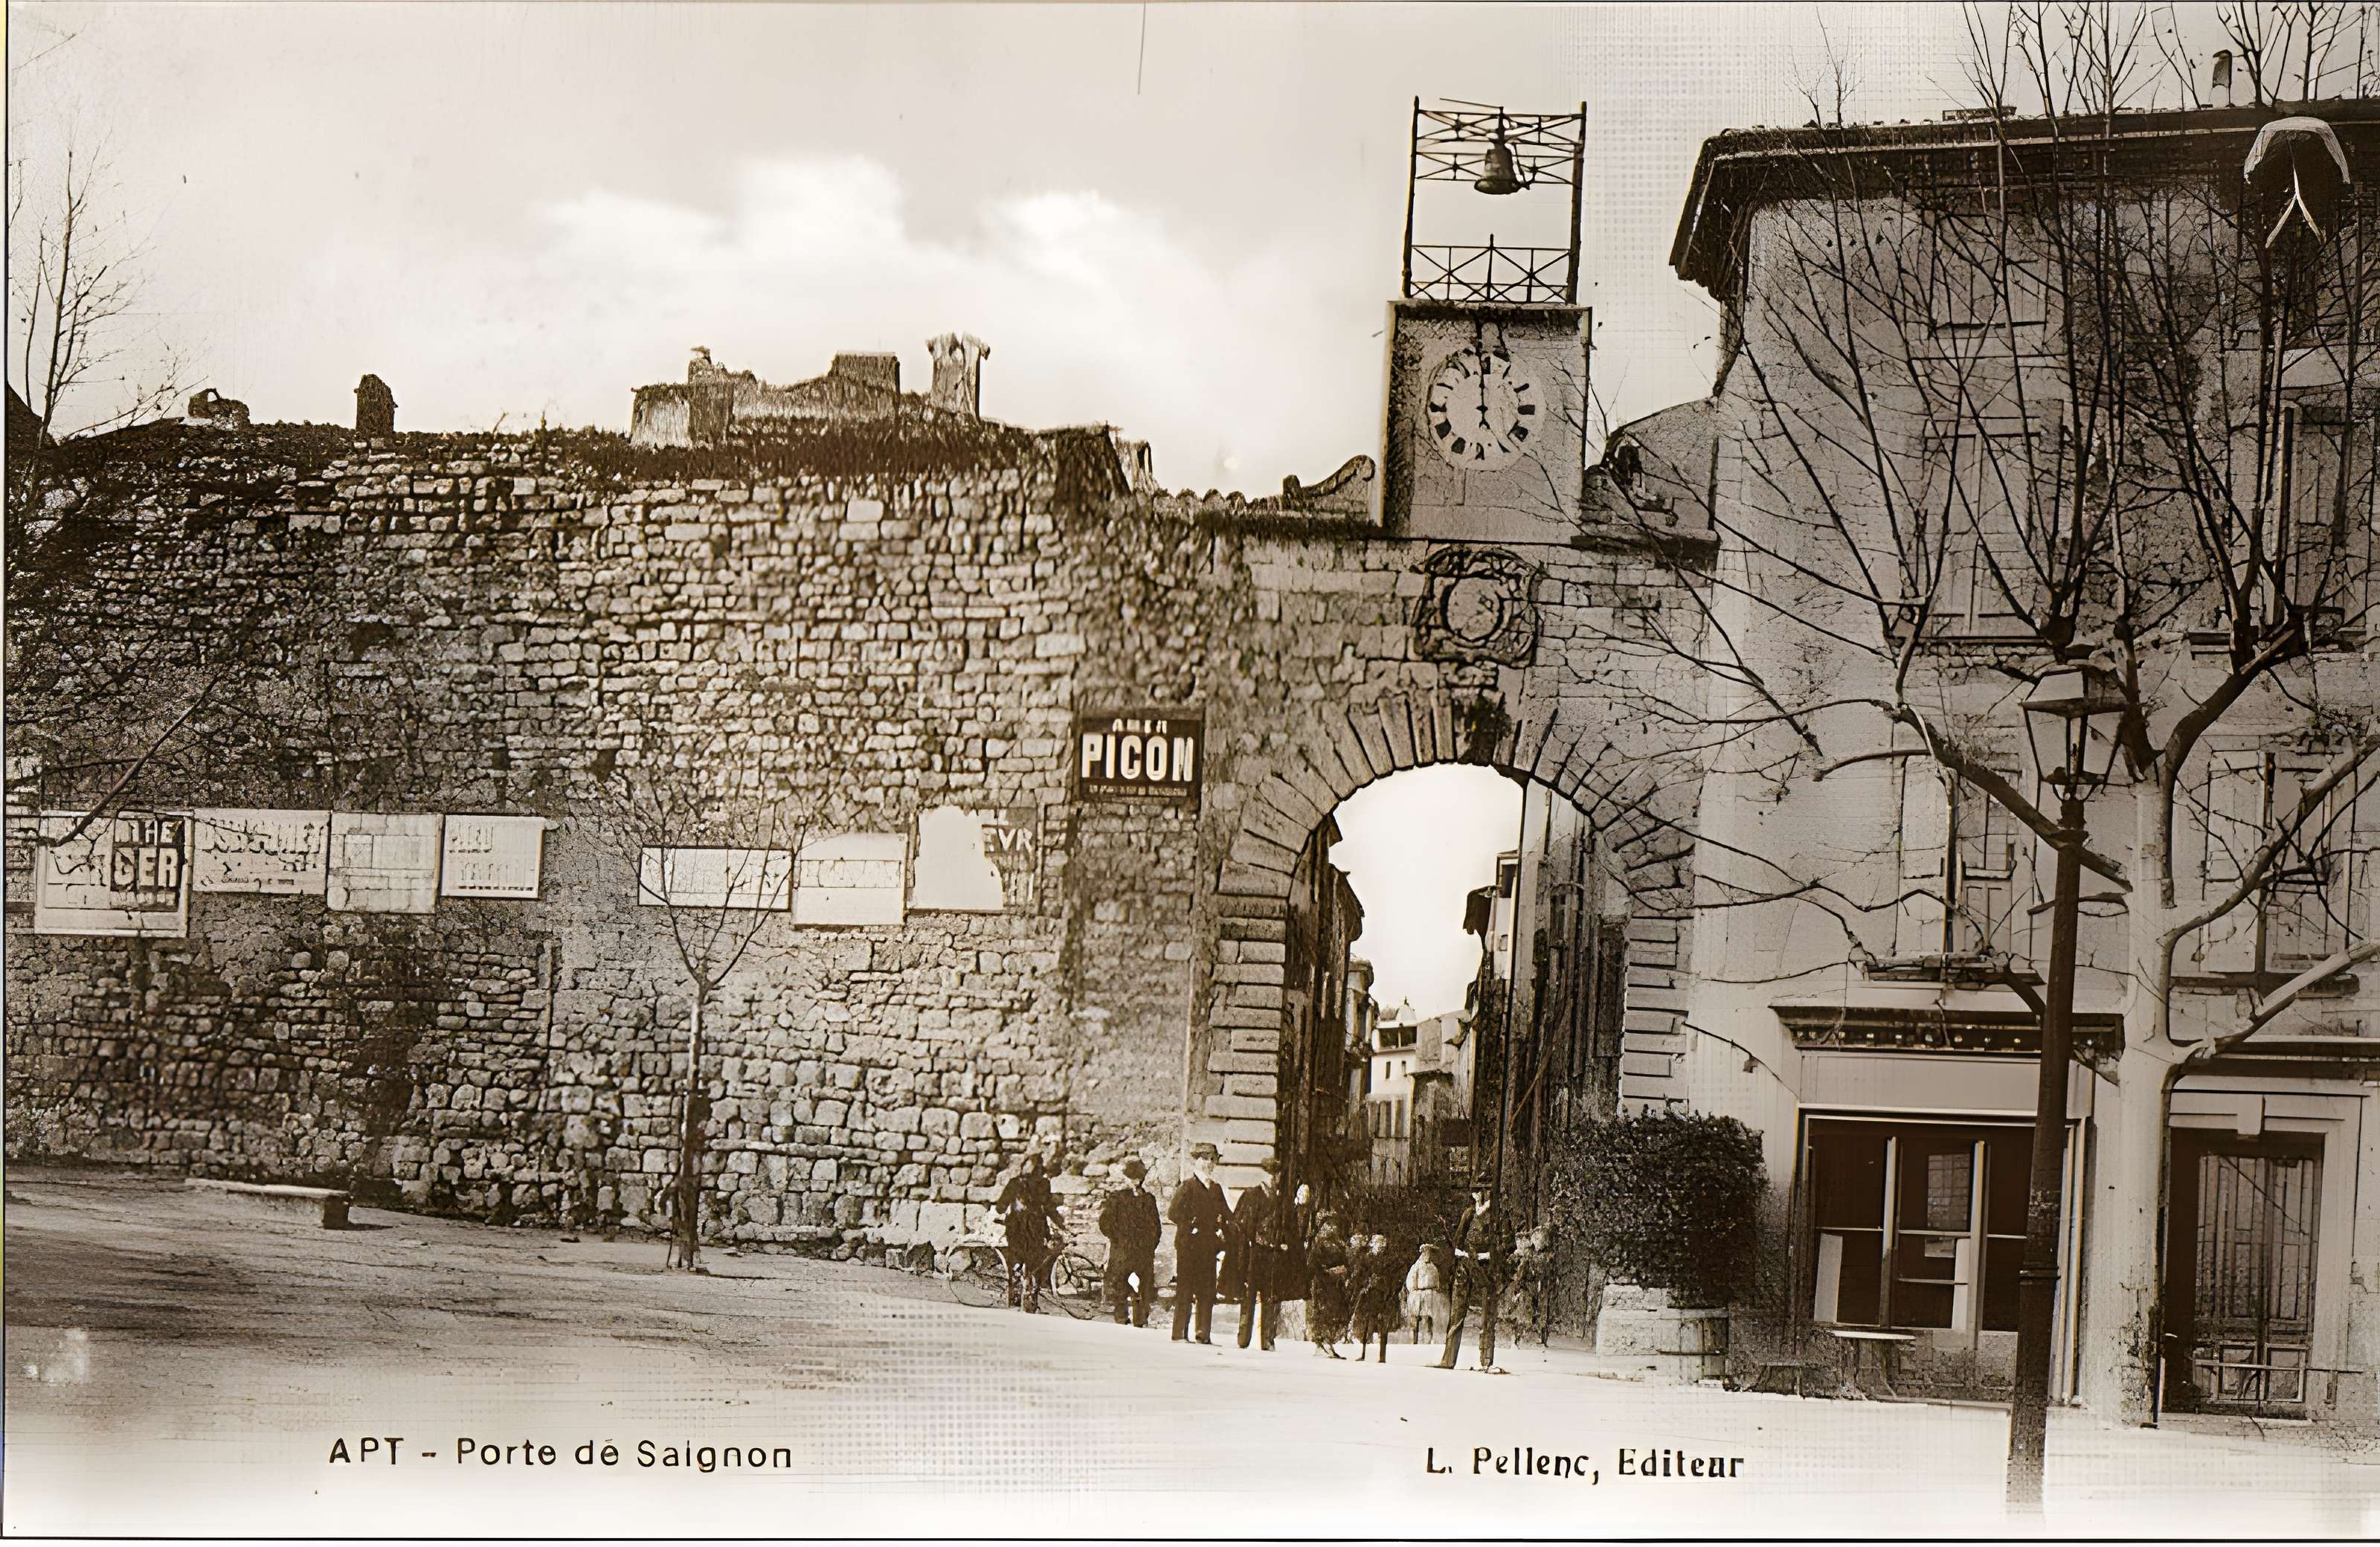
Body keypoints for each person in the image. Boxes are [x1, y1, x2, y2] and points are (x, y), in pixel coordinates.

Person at [1435, 1177, 1508, 1371]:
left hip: (1486, 1268)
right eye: (1475, 1191)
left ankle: (1486, 1360)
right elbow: (1459, 1239)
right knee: (1457, 1313)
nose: (1477, 1194)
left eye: (1481, 1190)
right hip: (1466, 1265)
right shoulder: (1469, 1213)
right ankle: (1448, 1359)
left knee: (1487, 1314)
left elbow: (1506, 1244)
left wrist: (1489, 1255)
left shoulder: (1497, 1215)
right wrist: (1461, 1253)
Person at [1230, 1157, 1296, 1351]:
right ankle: (1244, 1338)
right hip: (1254, 1253)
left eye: (1277, 1174)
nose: (1275, 1178)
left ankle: (1268, 1340)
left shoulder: (1282, 1200)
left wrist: (1283, 1242)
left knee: (1270, 1297)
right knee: (1248, 1296)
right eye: (1271, 1174)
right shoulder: (1252, 1195)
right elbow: (1241, 1225)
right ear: (1264, 1175)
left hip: (1272, 1255)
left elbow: (1287, 1226)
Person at [1167, 1142, 1230, 1343]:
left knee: (1207, 1289)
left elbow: (1226, 1214)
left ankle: (1203, 1334)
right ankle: (1179, 1333)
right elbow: (1173, 1213)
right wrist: (1191, 1223)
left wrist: (1226, 1228)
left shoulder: (1216, 1189)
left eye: (1212, 1159)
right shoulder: (1187, 1186)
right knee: (1185, 1288)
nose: (1209, 1164)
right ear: (1196, 1161)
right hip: (1189, 1244)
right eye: (1204, 1159)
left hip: (1208, 1246)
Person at [994, 1148, 1063, 1313]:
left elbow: (1000, 1207)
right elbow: (1049, 1208)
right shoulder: (1044, 1184)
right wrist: (1061, 1225)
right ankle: (1031, 1302)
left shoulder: (1014, 1183)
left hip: (1016, 1229)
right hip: (1036, 1229)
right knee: (1035, 1265)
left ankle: (1015, 1300)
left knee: (1016, 1262)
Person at [1099, 1157, 1162, 1327]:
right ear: (1127, 1179)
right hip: (1123, 1249)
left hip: (1143, 1251)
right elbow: (1105, 1223)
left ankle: (1140, 1317)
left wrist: (1151, 1244)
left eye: (1138, 1179)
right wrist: (1117, 1239)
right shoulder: (1117, 1198)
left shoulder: (1149, 1199)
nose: (1135, 1182)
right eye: (1132, 1178)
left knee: (1144, 1285)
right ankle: (1121, 1315)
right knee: (1119, 1281)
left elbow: (1156, 1226)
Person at [1305, 1212, 1353, 1358]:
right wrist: (1327, 1273)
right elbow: (1313, 1266)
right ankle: (1321, 1345)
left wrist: (1343, 1270)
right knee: (1322, 1314)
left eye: (1333, 1225)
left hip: (1336, 1287)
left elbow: (1347, 1263)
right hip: (1323, 1286)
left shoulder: (1340, 1245)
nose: (1331, 1228)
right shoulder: (1319, 1246)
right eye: (1328, 1225)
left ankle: (1329, 1345)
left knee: (1334, 1315)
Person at [1351, 1234, 1401, 1363]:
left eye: (1382, 1243)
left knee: (1383, 1328)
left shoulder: (1389, 1260)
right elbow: (1361, 1276)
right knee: (1366, 1326)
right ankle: (1364, 1354)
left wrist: (1385, 1289)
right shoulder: (1368, 1259)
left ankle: (1382, 1357)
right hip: (1368, 1297)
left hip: (1383, 1297)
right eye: (1378, 1243)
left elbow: (1391, 1278)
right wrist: (1365, 1285)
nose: (1380, 1246)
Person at [1406, 1241, 1451, 1345]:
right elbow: (1412, 1280)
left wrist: (1435, 1289)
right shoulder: (1417, 1266)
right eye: (1426, 1253)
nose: (1428, 1256)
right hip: (1417, 1294)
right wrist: (1414, 1291)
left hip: (1430, 1295)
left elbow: (1436, 1282)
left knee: (1428, 1318)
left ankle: (1427, 1341)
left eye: (1429, 1254)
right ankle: (1413, 1341)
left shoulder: (1433, 1268)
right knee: (1414, 1318)